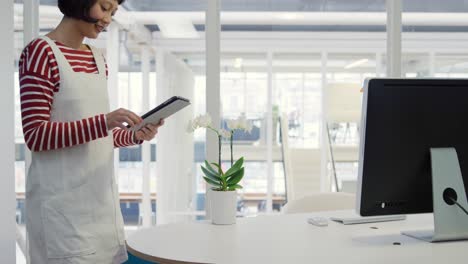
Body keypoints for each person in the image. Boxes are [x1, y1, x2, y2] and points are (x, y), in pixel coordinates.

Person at [18, 0, 163, 263]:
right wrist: (104, 122)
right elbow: (35, 135)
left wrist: (134, 134)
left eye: (113, 12)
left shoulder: (97, 57)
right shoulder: (41, 52)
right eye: (104, 7)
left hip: (102, 208)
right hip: (62, 213)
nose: (107, 19)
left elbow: (96, 137)